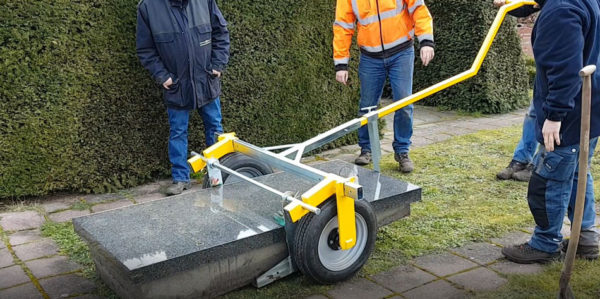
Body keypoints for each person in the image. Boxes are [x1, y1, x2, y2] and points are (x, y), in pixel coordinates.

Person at [500, 0, 600, 264]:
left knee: (550, 178)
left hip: (568, 112)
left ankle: (545, 243)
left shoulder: (561, 11)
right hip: (589, 106)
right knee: (579, 171)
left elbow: (566, 70)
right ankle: (586, 236)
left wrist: (555, 115)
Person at [136, 0, 230, 195]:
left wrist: (217, 65)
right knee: (178, 132)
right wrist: (163, 76)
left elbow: (221, 33)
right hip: (177, 86)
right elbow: (145, 49)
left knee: (215, 128)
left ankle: (217, 174)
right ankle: (180, 179)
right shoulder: (148, 7)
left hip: (206, 80)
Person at [333, 0, 435, 173]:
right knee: (367, 107)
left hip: (402, 52)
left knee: (404, 104)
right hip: (370, 57)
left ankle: (402, 151)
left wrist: (426, 41)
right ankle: (367, 149)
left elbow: (418, 8)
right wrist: (341, 64)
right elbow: (343, 26)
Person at [493, 0, 541, 182]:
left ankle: (538, 164)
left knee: (554, 116)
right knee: (534, 113)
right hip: (548, 64)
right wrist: (506, 3)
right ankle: (521, 159)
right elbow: (529, 5)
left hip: (571, 65)